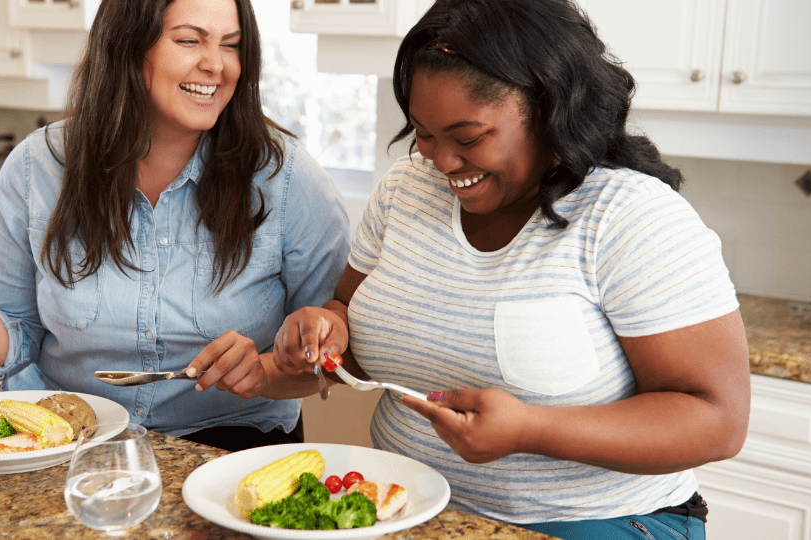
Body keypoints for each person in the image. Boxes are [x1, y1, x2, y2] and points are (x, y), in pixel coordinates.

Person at [272, 0, 750, 537]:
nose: (441, 162)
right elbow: (352, 330)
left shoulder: (629, 216)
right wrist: (325, 332)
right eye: (423, 133)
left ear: (547, 107)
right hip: (404, 509)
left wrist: (531, 429)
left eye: (469, 138)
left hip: (594, 522)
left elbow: (717, 421)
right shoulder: (405, 192)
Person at [0, 0, 350, 452]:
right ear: (128, 44)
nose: (216, 65)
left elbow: (328, 360)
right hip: (72, 443)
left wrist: (265, 370)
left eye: (230, 44)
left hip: (230, 450)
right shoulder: (38, 168)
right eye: (189, 41)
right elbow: (14, 342)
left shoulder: (286, 180)